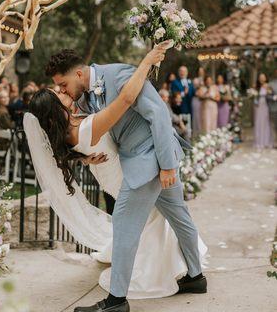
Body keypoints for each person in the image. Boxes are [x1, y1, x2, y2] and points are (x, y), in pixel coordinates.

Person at [34, 44, 206, 312]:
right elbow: (79, 134)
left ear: (78, 74)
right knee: (179, 215)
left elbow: (159, 114)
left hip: (151, 159)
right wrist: (84, 157)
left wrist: (168, 165)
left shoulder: (118, 76)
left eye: (63, 84)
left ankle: (116, 301)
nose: (63, 91)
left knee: (125, 226)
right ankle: (196, 277)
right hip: (135, 159)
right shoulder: (81, 98)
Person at [254, 73, 273, 150]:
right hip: (258, 107)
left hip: (265, 106)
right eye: (260, 77)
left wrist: (267, 90)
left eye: (263, 77)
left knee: (265, 123)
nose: (262, 78)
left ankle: (266, 141)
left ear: (265, 78)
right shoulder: (256, 87)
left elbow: (271, 95)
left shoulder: (268, 86)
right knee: (258, 122)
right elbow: (255, 96)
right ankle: (259, 141)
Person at [267, 69, 277, 147]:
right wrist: (274, 97)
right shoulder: (271, 84)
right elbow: (267, 96)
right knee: (275, 126)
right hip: (274, 108)